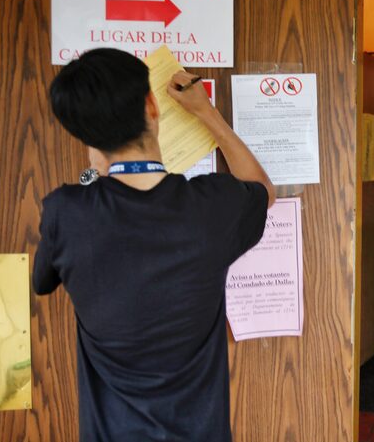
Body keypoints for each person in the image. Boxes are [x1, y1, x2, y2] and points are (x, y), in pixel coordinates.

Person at [32, 48, 275, 441]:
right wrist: (206, 112)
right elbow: (263, 191)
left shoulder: (67, 213)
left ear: (79, 132)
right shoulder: (211, 207)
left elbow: (42, 282)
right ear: (152, 105)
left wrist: (97, 175)